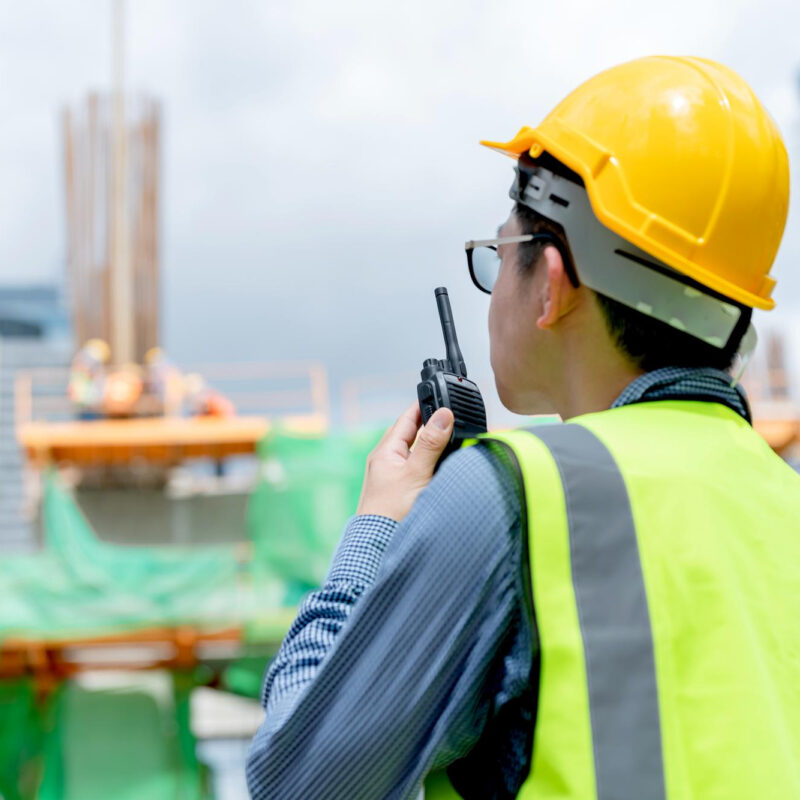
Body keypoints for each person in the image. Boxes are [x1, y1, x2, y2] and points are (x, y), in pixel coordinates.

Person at [247, 56, 800, 799]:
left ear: (553, 281)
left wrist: (376, 528)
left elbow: (297, 780)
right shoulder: (782, 500)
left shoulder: (513, 497)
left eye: (496, 257)